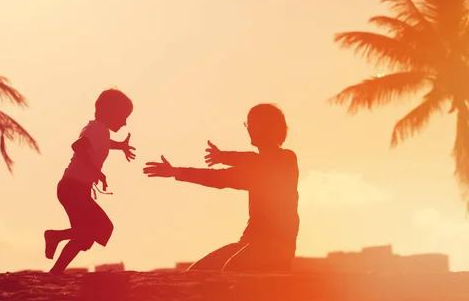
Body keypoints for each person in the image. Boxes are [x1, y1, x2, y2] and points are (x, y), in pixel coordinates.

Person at [143, 103, 299, 273]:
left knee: (232, 269)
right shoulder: (252, 172)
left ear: (269, 126)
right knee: (196, 273)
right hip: (248, 242)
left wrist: (223, 156)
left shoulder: (286, 160)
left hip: (277, 246)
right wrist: (176, 172)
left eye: (254, 123)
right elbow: (218, 178)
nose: (249, 129)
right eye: (248, 123)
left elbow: (259, 162)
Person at [45, 88, 136, 274]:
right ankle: (55, 236)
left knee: (86, 237)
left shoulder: (99, 130)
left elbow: (101, 143)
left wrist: (120, 146)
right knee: (100, 228)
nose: (125, 122)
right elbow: (78, 146)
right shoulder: (97, 128)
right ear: (110, 112)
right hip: (73, 189)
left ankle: (55, 272)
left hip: (76, 189)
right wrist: (97, 172)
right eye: (123, 116)